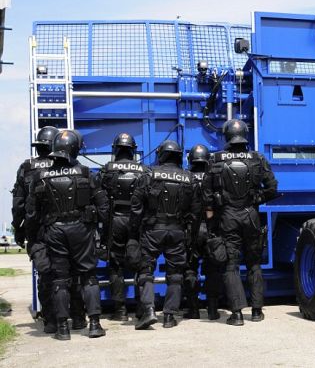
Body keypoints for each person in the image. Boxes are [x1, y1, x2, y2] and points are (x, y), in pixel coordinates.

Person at [25, 129, 109, 340]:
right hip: (81, 230)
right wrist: (103, 233)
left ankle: (62, 328)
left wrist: (33, 239)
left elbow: (31, 213)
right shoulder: (86, 173)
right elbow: (104, 207)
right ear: (75, 148)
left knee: (59, 280)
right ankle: (95, 324)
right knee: (88, 277)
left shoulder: (39, 177)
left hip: (54, 232)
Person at [202, 119, 277, 325]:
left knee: (231, 265)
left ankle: (236, 314)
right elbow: (272, 188)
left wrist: (211, 223)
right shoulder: (257, 158)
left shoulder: (215, 159)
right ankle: (256, 311)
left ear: (226, 136)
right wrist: (256, 199)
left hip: (228, 217)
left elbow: (206, 196)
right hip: (251, 215)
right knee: (254, 263)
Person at [129, 140, 201, 330]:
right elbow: (196, 213)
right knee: (176, 274)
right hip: (178, 231)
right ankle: (169, 316)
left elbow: (136, 208)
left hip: (152, 230)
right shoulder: (190, 178)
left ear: (160, 154)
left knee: (145, 271)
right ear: (178, 155)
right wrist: (191, 237)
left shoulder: (148, 174)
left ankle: (149, 310)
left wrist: (133, 235)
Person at [11, 126, 59, 333]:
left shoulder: (26, 168)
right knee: (68, 272)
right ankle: (74, 317)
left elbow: (18, 204)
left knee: (45, 274)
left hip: (37, 229)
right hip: (64, 228)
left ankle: (50, 320)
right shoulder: (66, 164)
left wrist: (18, 229)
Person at [96, 133, 147, 321]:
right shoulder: (144, 170)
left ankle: (120, 310)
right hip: (137, 222)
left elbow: (99, 201)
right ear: (133, 149)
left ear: (115, 149)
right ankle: (142, 308)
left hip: (115, 220)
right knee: (140, 264)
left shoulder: (105, 171)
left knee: (115, 265)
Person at [182, 144, 224, 320]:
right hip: (212, 229)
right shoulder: (214, 176)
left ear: (190, 159)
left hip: (191, 230)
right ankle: (213, 310)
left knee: (190, 269)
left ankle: (193, 309)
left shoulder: (185, 177)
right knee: (213, 269)